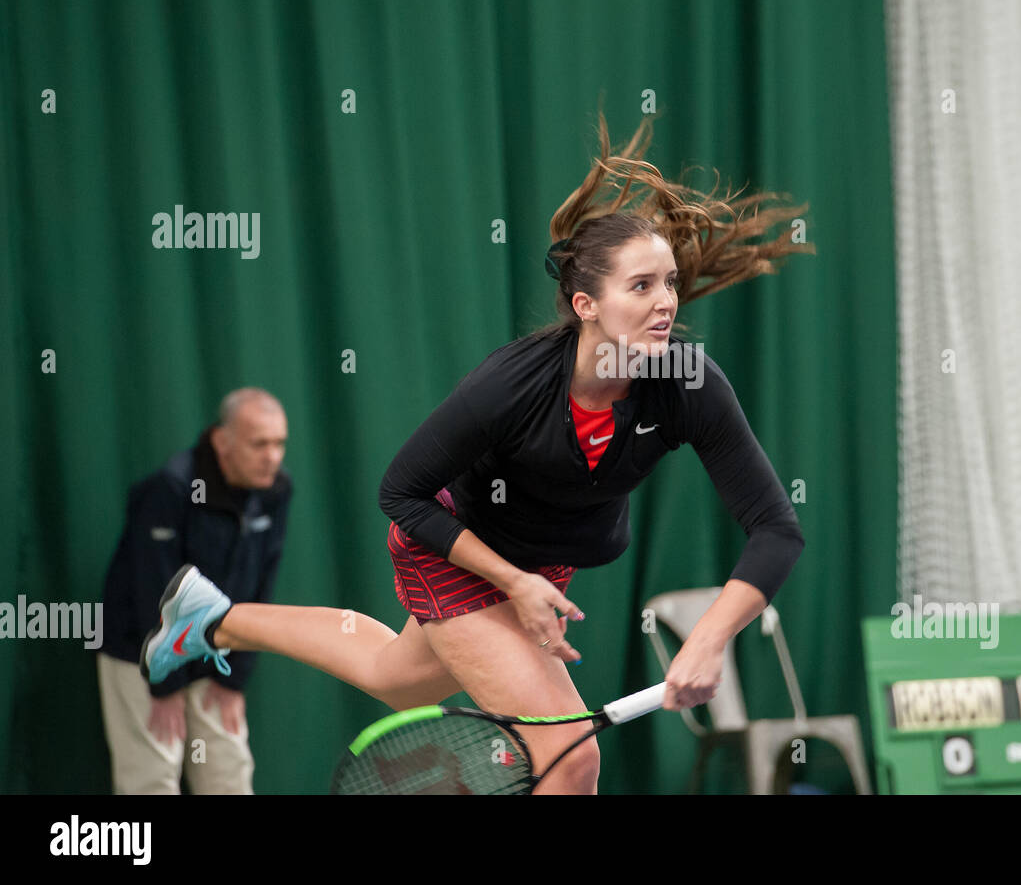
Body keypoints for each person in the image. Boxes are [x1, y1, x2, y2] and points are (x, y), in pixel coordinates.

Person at [142, 113, 812, 794]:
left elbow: (776, 529)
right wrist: (514, 582)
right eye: (641, 286)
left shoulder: (688, 384)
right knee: (570, 757)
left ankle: (212, 618)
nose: (666, 301)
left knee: (394, 679)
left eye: (669, 283)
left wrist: (710, 636)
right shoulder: (510, 386)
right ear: (586, 303)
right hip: (452, 545)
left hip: (541, 561)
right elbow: (398, 490)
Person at [97, 388, 291, 794]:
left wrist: (233, 678)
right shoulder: (170, 488)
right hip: (141, 652)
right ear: (223, 441)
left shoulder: (276, 491)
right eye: (260, 444)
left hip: (216, 651)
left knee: (228, 771)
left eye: (279, 444)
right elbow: (152, 587)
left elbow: (260, 587)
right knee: (152, 775)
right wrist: (163, 683)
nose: (272, 456)